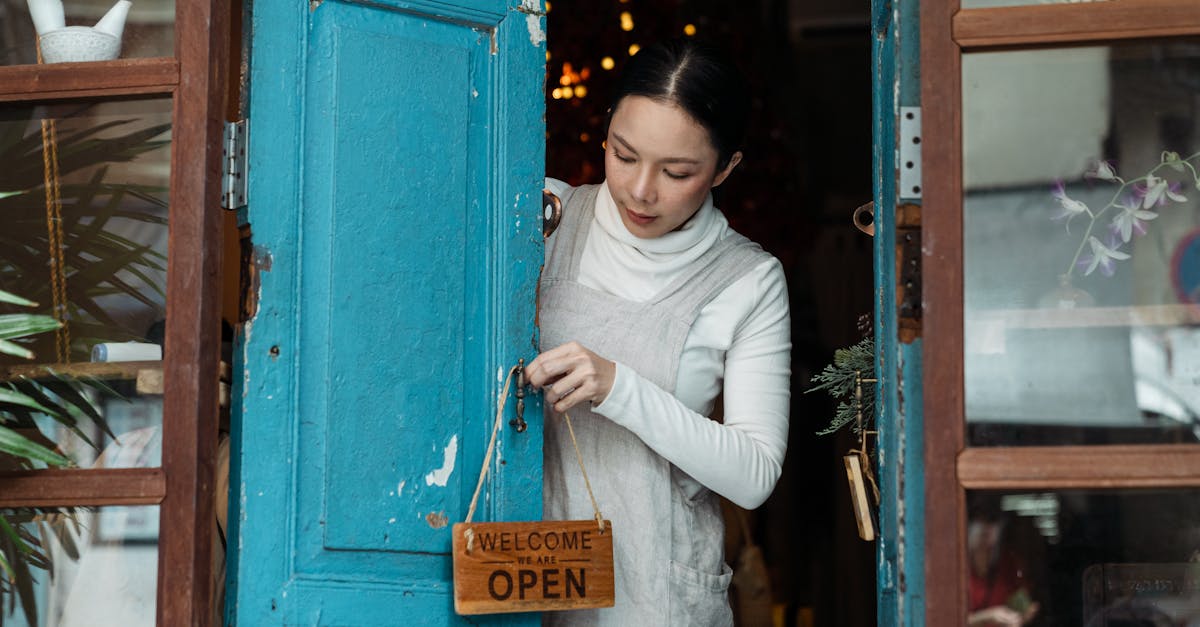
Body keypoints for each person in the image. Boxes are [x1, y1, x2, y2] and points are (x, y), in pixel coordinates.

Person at [525, 38, 791, 626]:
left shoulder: (748, 281)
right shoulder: (546, 218)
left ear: (726, 167)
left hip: (656, 596)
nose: (641, 190)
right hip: (523, 579)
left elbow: (753, 474)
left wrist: (619, 386)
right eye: (623, 156)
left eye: (677, 172)